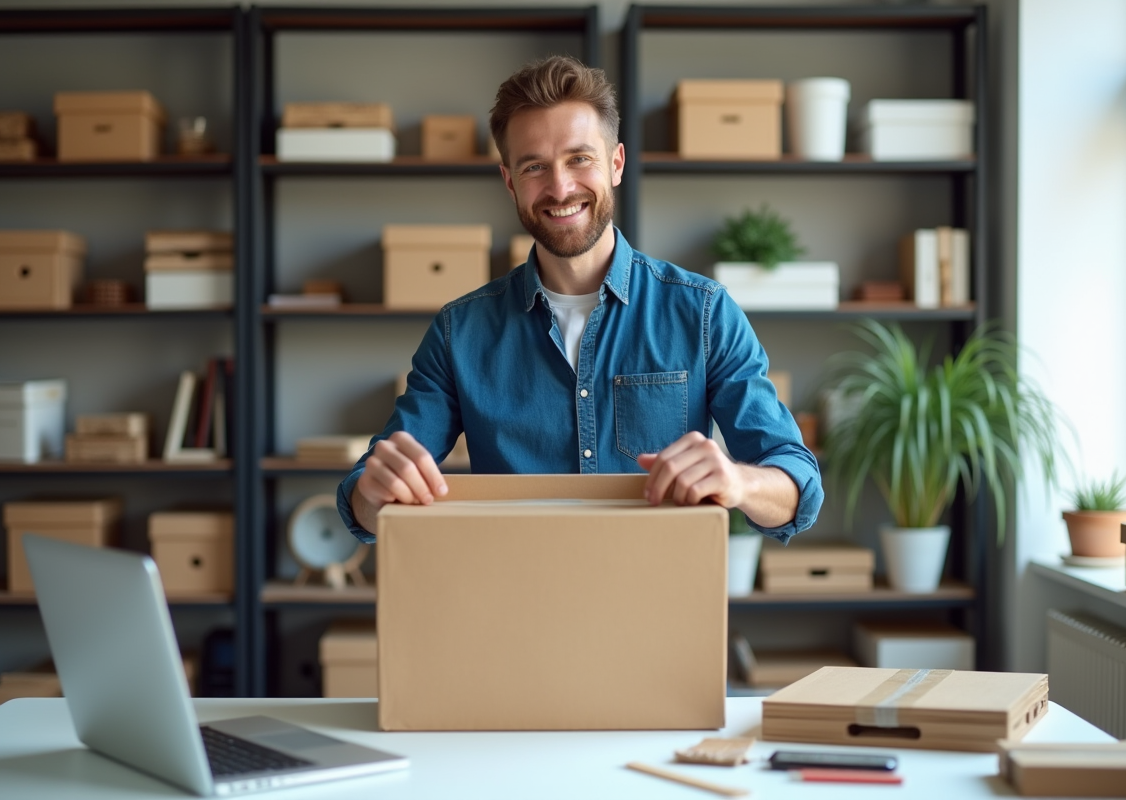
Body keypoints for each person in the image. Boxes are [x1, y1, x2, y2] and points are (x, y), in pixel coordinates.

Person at [337, 55, 822, 542]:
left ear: (615, 164)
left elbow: (796, 486)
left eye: (579, 158)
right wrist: (374, 490)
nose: (560, 187)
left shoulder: (703, 313)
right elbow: (367, 497)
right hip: (513, 606)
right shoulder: (459, 332)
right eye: (534, 167)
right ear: (510, 182)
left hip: (659, 604)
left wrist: (739, 481)